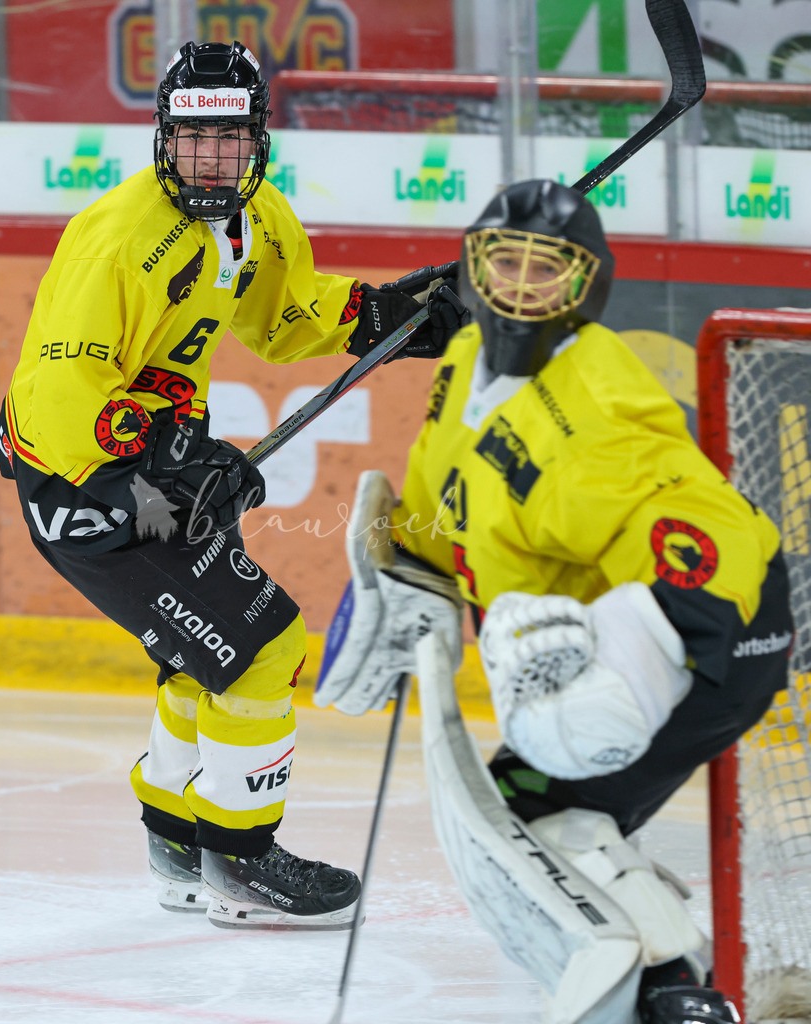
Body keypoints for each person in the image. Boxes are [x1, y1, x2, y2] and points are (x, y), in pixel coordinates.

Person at [0, 39, 467, 930]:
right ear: (163, 137)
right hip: (88, 486)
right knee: (264, 647)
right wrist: (162, 457)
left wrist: (391, 315)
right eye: (192, 138)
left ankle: (177, 841)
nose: (211, 159)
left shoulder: (259, 218)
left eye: (230, 139)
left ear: (259, 142)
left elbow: (284, 320)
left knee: (200, 660)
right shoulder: (117, 241)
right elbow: (56, 401)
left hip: (162, 473)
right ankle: (243, 862)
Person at [315, 179, 792, 1016]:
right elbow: (441, 492)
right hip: (620, 626)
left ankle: (666, 991)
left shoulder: (598, 405)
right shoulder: (465, 360)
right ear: (471, 269)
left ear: (588, 285)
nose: (520, 289)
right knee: (537, 809)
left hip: (714, 629)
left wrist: (629, 670)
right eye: (505, 263)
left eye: (548, 271)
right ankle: (673, 984)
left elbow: (712, 533)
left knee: (538, 809)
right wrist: (409, 581)